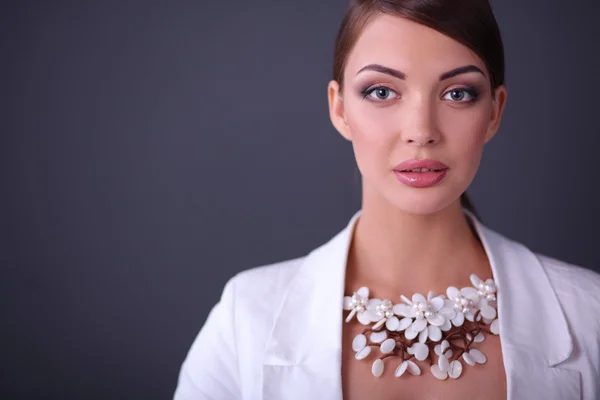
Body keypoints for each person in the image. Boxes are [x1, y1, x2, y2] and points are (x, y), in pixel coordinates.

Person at [173, 0, 600, 399]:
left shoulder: (590, 314)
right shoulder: (244, 319)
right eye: (381, 92)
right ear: (339, 109)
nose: (420, 130)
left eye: (457, 93)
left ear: (494, 112)